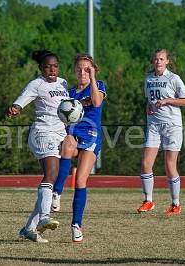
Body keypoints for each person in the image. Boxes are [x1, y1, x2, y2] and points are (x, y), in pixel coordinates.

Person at [7, 50, 69, 243]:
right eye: (48, 66)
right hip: (42, 132)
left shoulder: (64, 83)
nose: (52, 69)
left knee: (53, 178)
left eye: (55, 66)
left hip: (60, 134)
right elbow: (22, 100)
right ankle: (44, 217)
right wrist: (16, 108)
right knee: (51, 173)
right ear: (41, 68)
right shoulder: (37, 84)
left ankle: (29, 229)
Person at [51, 53, 106, 242]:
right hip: (73, 133)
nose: (82, 72)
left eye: (87, 69)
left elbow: (97, 102)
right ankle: (56, 192)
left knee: (81, 181)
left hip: (91, 136)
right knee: (67, 143)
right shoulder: (71, 92)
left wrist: (92, 78)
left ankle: (76, 224)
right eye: (79, 69)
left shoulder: (98, 86)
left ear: (93, 70)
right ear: (74, 71)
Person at [136, 49, 185, 216]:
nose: (158, 61)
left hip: (172, 125)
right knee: (146, 164)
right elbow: (149, 100)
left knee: (169, 165)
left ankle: (175, 203)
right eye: (156, 59)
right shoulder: (148, 79)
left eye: (161, 59)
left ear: (167, 61)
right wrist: (148, 107)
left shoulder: (174, 78)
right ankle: (148, 201)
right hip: (154, 126)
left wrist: (168, 101)